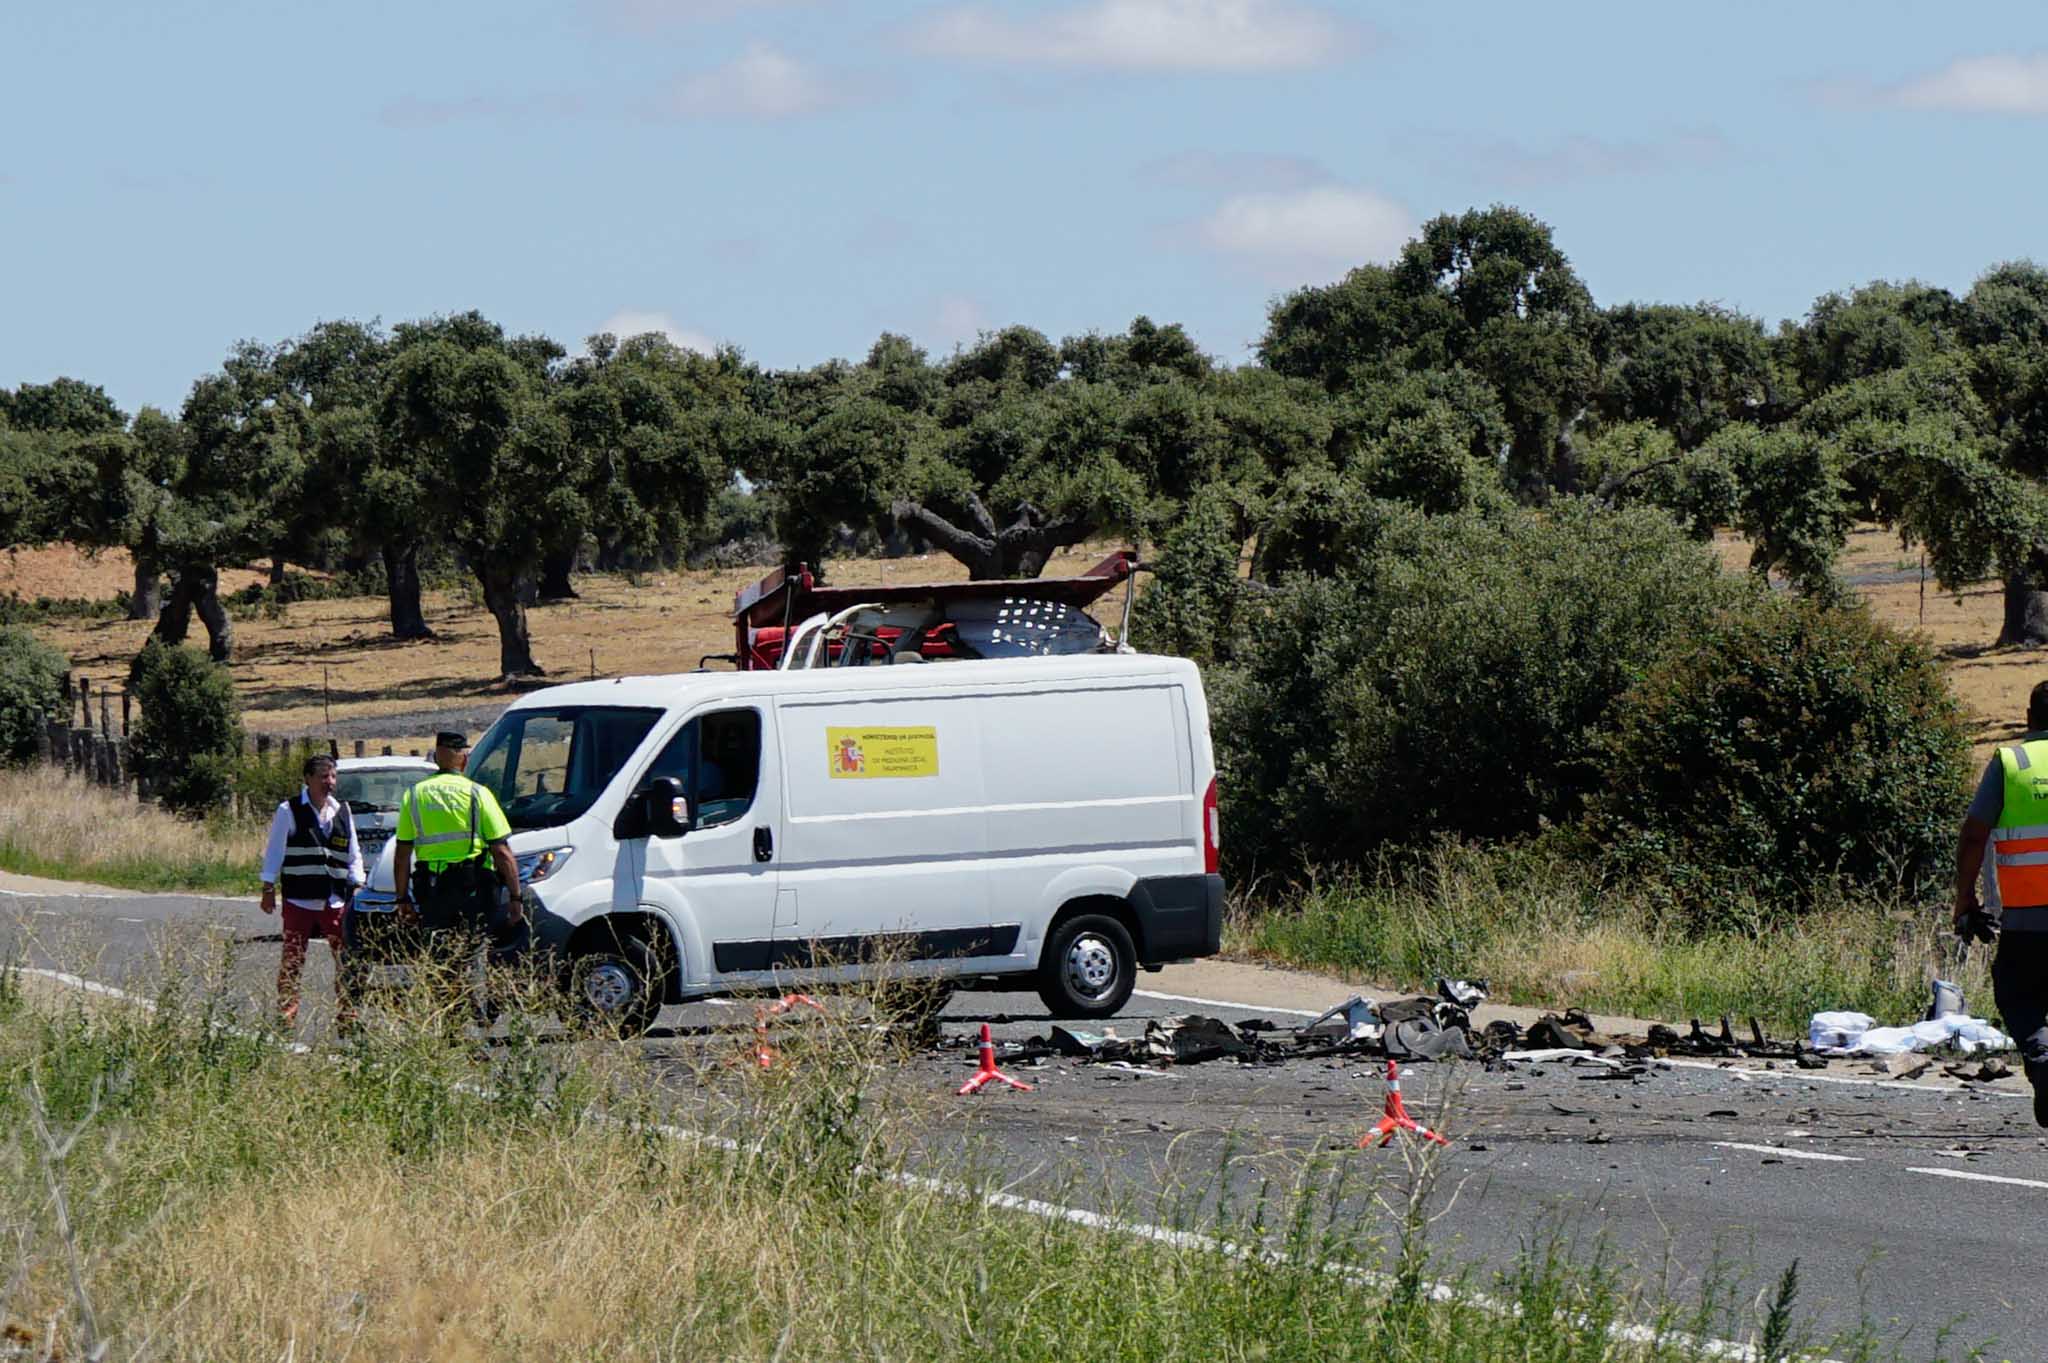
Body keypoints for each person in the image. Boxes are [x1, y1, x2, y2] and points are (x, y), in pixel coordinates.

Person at [1955, 679, 2048, 1126]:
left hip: (2028, 921)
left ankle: (2043, 1058)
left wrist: (1964, 899)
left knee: (2017, 995)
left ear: (2030, 718)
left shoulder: (2013, 762)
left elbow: (1974, 833)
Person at [390, 731, 523, 1009]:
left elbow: (402, 854)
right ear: (463, 758)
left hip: (433, 891)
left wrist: (402, 899)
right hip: (473, 888)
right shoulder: (477, 793)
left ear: (437, 757)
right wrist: (515, 897)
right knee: (474, 953)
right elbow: (501, 851)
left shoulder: (414, 795)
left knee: (441, 959)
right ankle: (476, 1023)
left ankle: (450, 1024)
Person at [259, 753, 365, 1026]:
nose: (329, 782)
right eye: (323, 777)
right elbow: (274, 852)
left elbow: (353, 854)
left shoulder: (342, 811)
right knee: (293, 958)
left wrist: (358, 885)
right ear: (308, 779)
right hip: (300, 900)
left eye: (332, 776)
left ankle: (348, 1015)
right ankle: (287, 1014)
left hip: (335, 900)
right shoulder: (289, 810)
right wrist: (268, 887)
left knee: (346, 958)